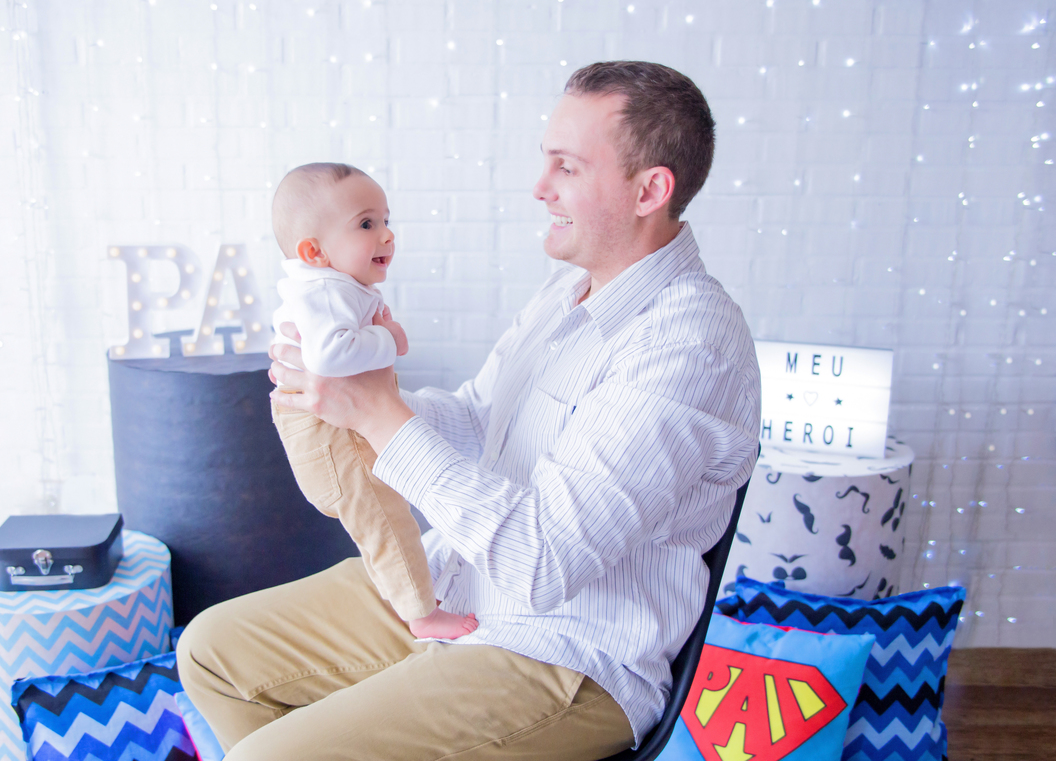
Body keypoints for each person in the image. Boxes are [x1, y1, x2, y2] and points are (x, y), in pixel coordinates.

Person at [177, 60, 761, 761]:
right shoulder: (566, 290)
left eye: (566, 167)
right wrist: (352, 398)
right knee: (212, 653)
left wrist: (377, 416)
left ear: (649, 190)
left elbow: (542, 562)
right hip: (461, 586)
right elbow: (478, 420)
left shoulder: (689, 344)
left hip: (563, 652)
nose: (539, 187)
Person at [267, 162, 478, 641]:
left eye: (386, 221)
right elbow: (328, 355)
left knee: (383, 518)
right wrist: (390, 338)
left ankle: (410, 596)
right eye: (367, 224)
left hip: (331, 428)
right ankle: (421, 616)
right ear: (314, 252)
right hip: (329, 436)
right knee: (387, 520)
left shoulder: (333, 285)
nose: (386, 236)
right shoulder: (325, 289)